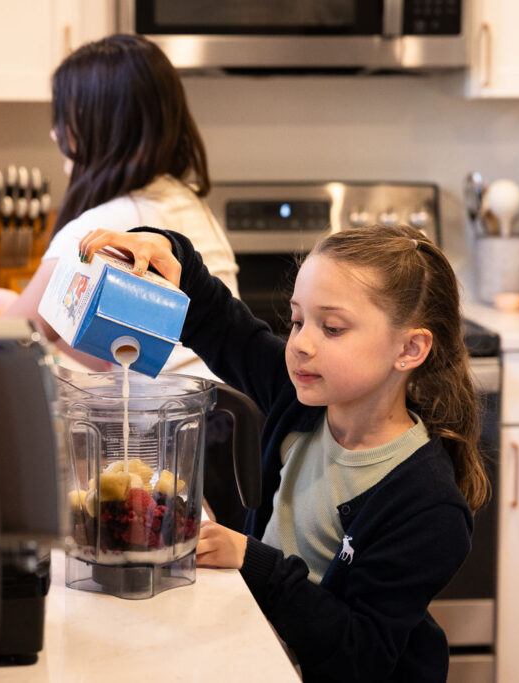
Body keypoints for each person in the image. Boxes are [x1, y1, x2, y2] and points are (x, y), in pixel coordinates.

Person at [76, 223, 490, 683]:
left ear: (410, 348)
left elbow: (359, 655)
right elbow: (218, 320)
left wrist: (253, 560)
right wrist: (163, 249)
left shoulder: (428, 504)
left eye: (332, 328)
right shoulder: (299, 399)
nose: (301, 344)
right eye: (297, 321)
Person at [0, 33, 238, 374]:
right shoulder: (190, 202)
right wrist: (22, 310)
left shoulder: (98, 229)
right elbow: (121, 357)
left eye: (64, 118)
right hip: (224, 402)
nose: (55, 134)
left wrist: (12, 319)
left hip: (172, 408)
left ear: (101, 126)